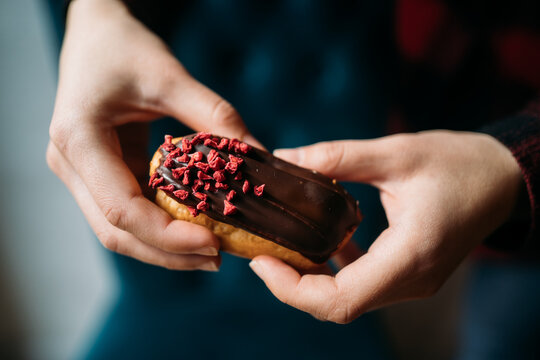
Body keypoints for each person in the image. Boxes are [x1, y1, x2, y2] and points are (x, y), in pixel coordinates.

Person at [45, 0, 539, 358]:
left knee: (507, 327)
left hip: (510, 147)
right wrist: (96, 11)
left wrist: (511, 163)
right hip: (433, 111)